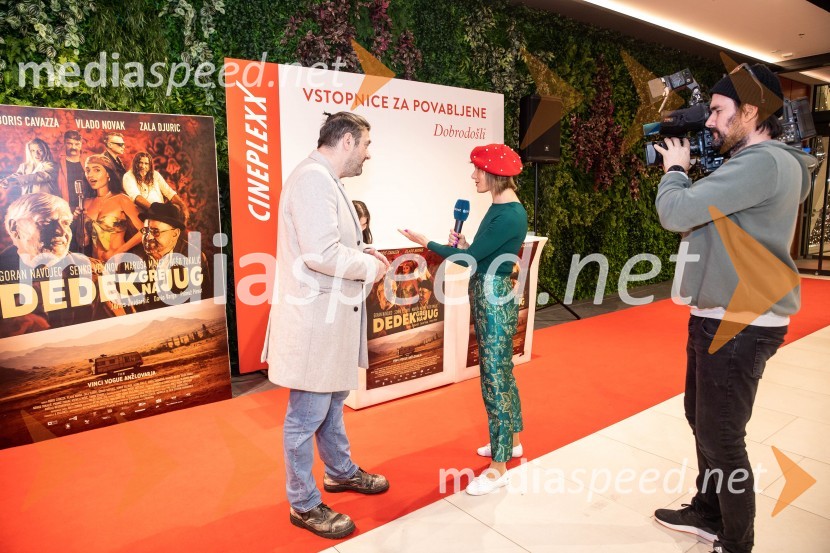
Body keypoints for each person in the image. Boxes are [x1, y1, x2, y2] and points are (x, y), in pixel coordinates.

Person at [653, 64, 816, 553]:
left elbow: (676, 211)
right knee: (703, 420)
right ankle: (708, 511)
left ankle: (736, 541)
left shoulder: (763, 163)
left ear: (751, 112)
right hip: (725, 314)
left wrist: (676, 171)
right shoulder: (771, 163)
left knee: (722, 437)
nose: (710, 123)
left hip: (738, 321)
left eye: (720, 112)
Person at [260, 112, 390, 539]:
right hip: (315, 323)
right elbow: (321, 253)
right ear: (348, 141)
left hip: (327, 320)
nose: (369, 155)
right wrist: (369, 266)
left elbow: (330, 245)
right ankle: (303, 503)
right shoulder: (313, 179)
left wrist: (365, 252)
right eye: (367, 145)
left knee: (332, 403)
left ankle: (339, 471)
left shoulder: (323, 179)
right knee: (306, 416)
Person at [399, 143, 528, 496]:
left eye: (477, 170)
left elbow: (469, 259)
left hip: (493, 295)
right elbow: (481, 252)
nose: (473, 176)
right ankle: (511, 442)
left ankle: (499, 465)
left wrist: (430, 242)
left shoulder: (509, 214)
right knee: (500, 370)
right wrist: (466, 244)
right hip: (489, 291)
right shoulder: (500, 208)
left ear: (494, 175)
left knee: (494, 376)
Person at [0, 193, 126, 337]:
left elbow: (120, 331)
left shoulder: (94, 272)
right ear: (15, 227)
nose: (61, 231)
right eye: (45, 222)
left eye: (66, 223)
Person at [79, 155, 144, 262]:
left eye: (97, 170)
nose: (90, 174)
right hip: (96, 265)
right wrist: (79, 220)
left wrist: (119, 252)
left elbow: (144, 231)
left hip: (119, 262)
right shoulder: (86, 203)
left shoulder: (121, 199)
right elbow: (83, 242)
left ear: (108, 174)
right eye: (88, 170)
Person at [123, 152, 190, 224]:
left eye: (146, 164)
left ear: (150, 165)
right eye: (140, 163)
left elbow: (169, 192)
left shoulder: (155, 175)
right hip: (143, 211)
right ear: (135, 163)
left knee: (176, 209)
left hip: (160, 210)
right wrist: (155, 210)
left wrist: (183, 207)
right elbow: (136, 197)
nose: (143, 166)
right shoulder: (128, 176)